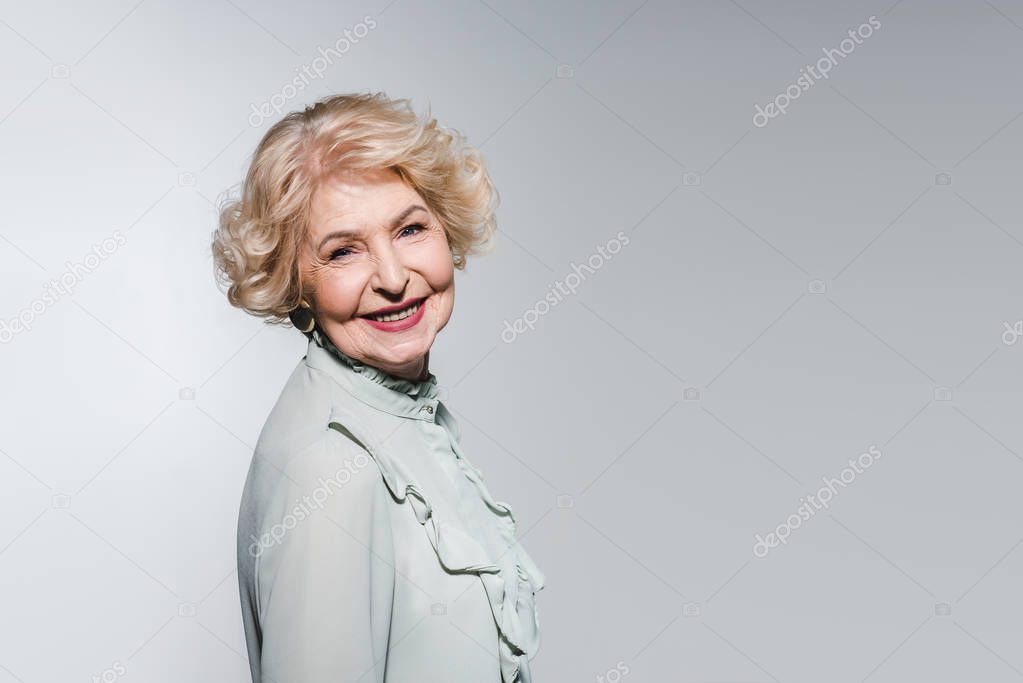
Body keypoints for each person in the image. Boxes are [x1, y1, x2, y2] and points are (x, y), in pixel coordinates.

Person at [211, 92, 545, 683]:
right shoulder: (330, 465)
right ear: (296, 283)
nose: (393, 279)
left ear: (449, 230)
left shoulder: (400, 415)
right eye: (343, 251)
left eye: (411, 229)